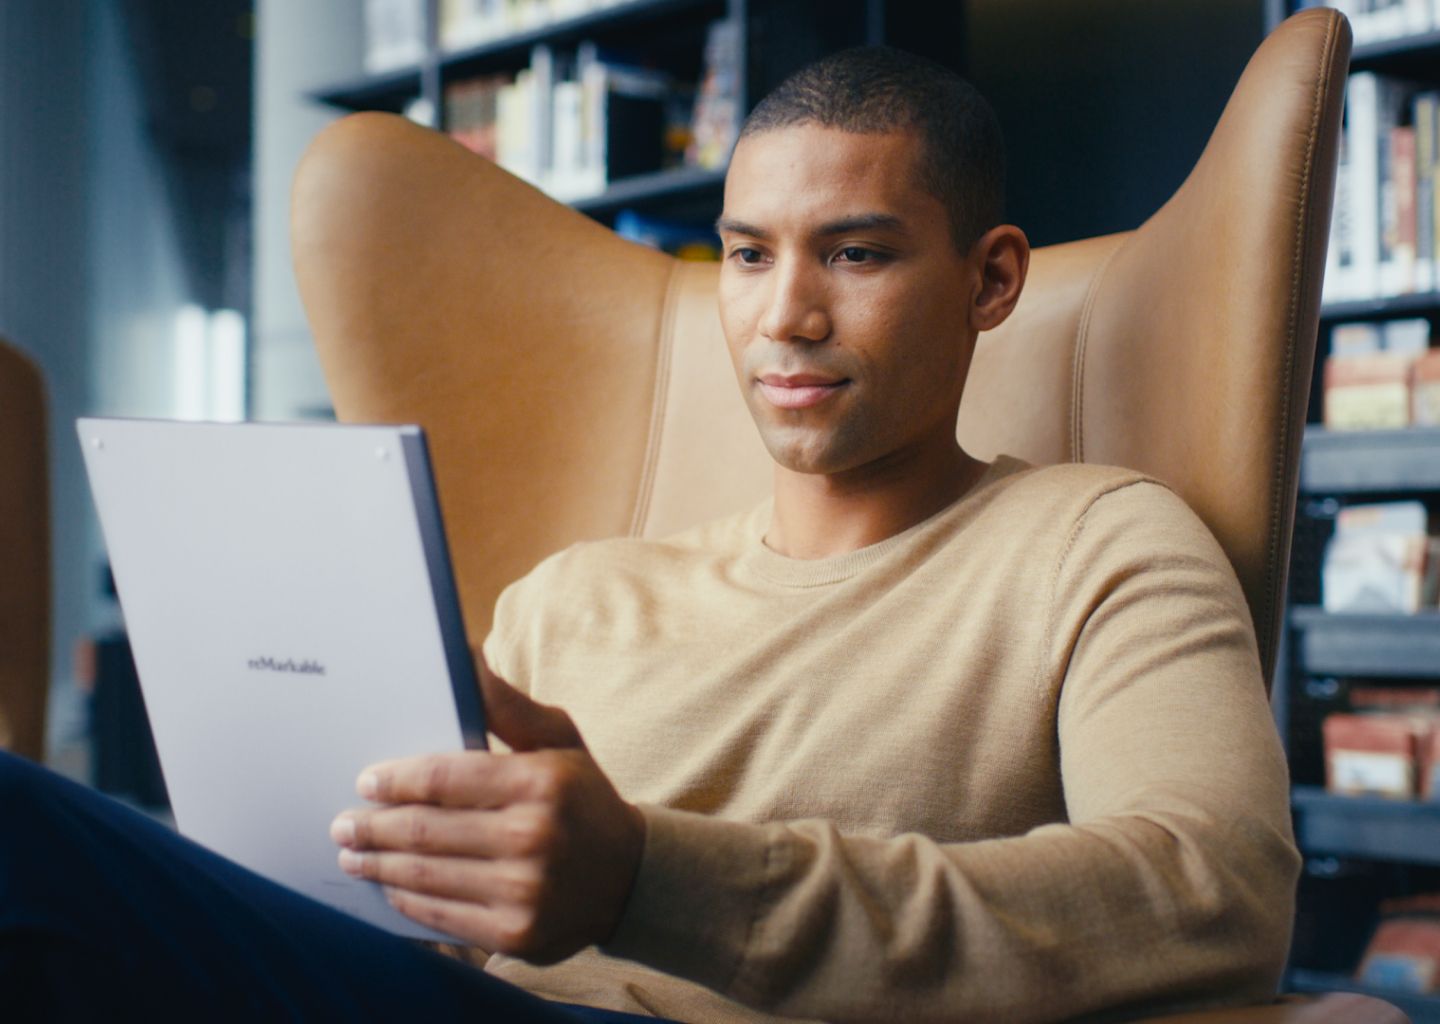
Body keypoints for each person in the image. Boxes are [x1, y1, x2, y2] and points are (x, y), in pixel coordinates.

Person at [2, 46, 1298, 1023]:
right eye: (745, 257)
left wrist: (645, 877)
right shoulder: (573, 597)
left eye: (854, 255)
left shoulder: (1101, 543)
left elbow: (1210, 885)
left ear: (990, 279)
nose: (784, 316)